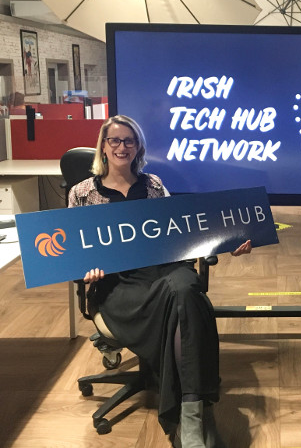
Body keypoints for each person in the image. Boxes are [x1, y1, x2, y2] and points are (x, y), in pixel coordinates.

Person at [70, 115, 252, 448]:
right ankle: (193, 417)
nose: (122, 147)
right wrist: (86, 269)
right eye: (115, 140)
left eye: (130, 141)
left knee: (186, 289)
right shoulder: (81, 193)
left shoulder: (153, 184)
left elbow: (182, 234)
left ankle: (193, 413)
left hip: (163, 271)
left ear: (137, 147)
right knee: (183, 303)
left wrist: (230, 243)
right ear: (104, 146)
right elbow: (72, 250)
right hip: (117, 285)